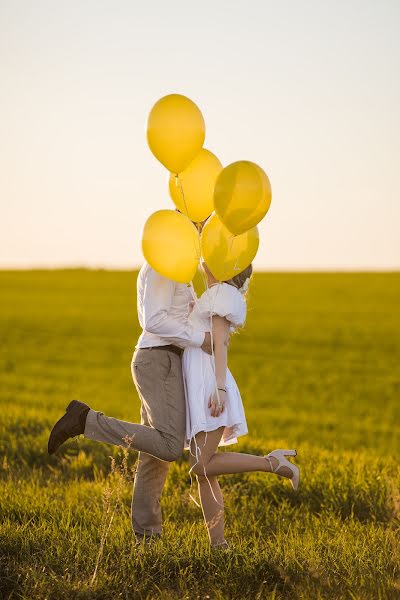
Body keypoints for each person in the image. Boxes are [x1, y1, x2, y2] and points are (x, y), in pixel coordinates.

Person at [47, 262, 212, 544]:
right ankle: (85, 420)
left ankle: (146, 537)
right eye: (197, 224)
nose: (201, 230)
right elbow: (154, 321)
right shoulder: (165, 264)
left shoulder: (181, 266)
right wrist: (201, 338)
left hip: (165, 360)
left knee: (155, 455)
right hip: (158, 359)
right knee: (170, 445)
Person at [182, 262, 300, 550]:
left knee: (200, 466)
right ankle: (218, 545)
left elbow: (220, 342)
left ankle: (272, 463)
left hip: (209, 388)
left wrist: (219, 388)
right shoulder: (212, 293)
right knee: (204, 471)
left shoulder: (219, 294)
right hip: (203, 386)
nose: (204, 258)